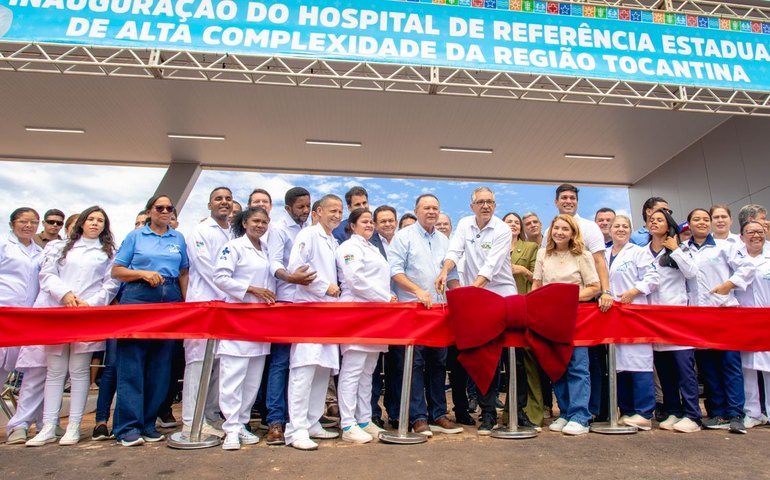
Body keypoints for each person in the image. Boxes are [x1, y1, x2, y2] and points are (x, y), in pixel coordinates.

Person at [25, 206, 120, 446]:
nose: (95, 223)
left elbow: (110, 284)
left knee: (79, 371)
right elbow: (47, 275)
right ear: (81, 222)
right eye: (91, 219)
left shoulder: (108, 251)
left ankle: (74, 426)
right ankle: (48, 426)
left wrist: (91, 303)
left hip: (87, 313)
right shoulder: (59, 247)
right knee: (55, 371)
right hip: (59, 311)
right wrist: (65, 294)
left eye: (100, 220)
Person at [438, 188, 526, 435]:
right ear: (472, 206)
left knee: (514, 357)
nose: (485, 206)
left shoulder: (502, 229)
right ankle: (487, 414)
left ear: (495, 205)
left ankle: (517, 413)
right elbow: (454, 252)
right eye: (481, 202)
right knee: (484, 359)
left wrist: (470, 293)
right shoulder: (465, 224)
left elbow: (491, 265)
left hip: (503, 295)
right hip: (478, 299)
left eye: (490, 202)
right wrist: (445, 271)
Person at [111, 194, 189, 447]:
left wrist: (186, 303)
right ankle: (128, 427)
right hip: (140, 296)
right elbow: (117, 270)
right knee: (132, 363)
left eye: (169, 208)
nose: (165, 211)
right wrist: (142, 273)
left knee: (161, 365)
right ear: (149, 211)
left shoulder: (178, 238)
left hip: (171, 297)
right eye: (159, 207)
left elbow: (183, 271)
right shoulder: (135, 236)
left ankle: (148, 423)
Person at [389, 194, 461, 437]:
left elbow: (452, 275)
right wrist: (417, 290)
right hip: (412, 311)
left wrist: (460, 299)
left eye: (435, 208)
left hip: (439, 311)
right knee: (413, 363)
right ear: (416, 210)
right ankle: (418, 417)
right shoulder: (403, 237)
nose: (432, 211)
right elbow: (395, 271)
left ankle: (438, 413)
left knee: (438, 363)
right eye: (427, 207)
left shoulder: (444, 239)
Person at [284, 194, 344, 450]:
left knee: (322, 369)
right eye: (332, 210)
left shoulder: (334, 240)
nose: (337, 215)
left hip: (328, 312)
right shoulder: (308, 235)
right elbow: (297, 267)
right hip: (309, 310)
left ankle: (312, 422)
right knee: (304, 368)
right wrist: (324, 286)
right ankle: (295, 429)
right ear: (318, 212)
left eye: (340, 211)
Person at [685, 208, 753, 434]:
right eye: (697, 219)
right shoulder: (683, 249)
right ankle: (717, 412)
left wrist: (728, 285)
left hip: (724, 312)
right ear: (689, 224)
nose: (702, 223)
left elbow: (747, 267)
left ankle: (735, 413)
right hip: (698, 315)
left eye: (706, 219)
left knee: (729, 363)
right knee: (708, 366)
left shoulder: (725, 246)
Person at [213, 207, 276, 450]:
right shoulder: (233, 247)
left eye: (264, 222)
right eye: (255, 221)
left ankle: (242, 423)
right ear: (245, 223)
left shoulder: (266, 249)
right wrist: (250, 289)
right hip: (238, 318)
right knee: (233, 374)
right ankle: (230, 428)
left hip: (261, 321)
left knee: (252, 378)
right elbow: (220, 278)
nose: (260, 225)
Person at [549, 184, 612, 423]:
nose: (568, 201)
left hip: (583, 306)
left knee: (584, 363)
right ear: (556, 202)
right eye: (564, 197)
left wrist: (605, 291)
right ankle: (566, 412)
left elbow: (599, 261)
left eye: (572, 198)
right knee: (560, 364)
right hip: (554, 312)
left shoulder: (589, 227)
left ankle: (585, 413)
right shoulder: (549, 232)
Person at [534, 214, 601, 436]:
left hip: (576, 317)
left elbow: (594, 287)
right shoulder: (543, 254)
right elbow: (537, 284)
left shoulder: (583, 255)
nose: (560, 232)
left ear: (573, 233)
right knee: (557, 366)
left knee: (578, 367)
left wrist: (567, 298)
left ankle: (580, 416)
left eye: (565, 229)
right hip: (550, 318)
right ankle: (564, 412)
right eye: (556, 228)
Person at [264, 186, 317, 445]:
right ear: (287, 208)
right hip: (285, 301)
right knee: (281, 362)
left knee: (304, 363)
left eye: (308, 206)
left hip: (307, 302)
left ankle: (301, 420)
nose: (305, 211)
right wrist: (291, 278)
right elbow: (274, 263)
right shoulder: (279, 230)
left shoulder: (311, 229)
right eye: (300, 207)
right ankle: (275, 421)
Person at [335, 208, 393, 443]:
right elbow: (355, 280)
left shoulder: (372, 248)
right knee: (352, 370)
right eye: (364, 221)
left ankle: (364, 420)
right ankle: (348, 424)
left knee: (368, 371)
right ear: (352, 225)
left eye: (371, 221)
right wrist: (386, 297)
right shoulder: (349, 247)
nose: (369, 225)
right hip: (356, 312)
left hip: (375, 314)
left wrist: (384, 298)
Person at [180, 187, 234, 439]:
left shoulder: (233, 232)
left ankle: (211, 415)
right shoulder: (200, 231)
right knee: (198, 362)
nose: (224, 202)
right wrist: (234, 291)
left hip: (228, 307)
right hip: (205, 304)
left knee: (220, 363)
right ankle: (192, 420)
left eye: (228, 199)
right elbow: (207, 268)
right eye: (218, 199)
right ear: (209, 204)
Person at [647, 209, 701, 433]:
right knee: (664, 368)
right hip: (653, 318)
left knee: (684, 369)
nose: (654, 223)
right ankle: (673, 411)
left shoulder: (680, 249)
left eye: (659, 220)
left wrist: (676, 249)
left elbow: (692, 272)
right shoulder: (643, 252)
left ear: (668, 225)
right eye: (651, 220)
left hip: (676, 316)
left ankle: (693, 415)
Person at [605, 215, 658, 431]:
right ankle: (626, 410)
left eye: (625, 226)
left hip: (635, 313)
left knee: (639, 362)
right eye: (616, 226)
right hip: (612, 315)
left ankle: (644, 412)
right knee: (619, 365)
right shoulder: (605, 253)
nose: (621, 229)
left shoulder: (639, 252)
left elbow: (652, 278)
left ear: (630, 230)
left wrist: (634, 292)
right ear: (610, 230)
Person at [2, 208, 44, 445]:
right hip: (4, 315)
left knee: (33, 371)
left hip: (30, 319)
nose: (28, 226)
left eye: (33, 222)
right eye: (23, 221)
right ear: (12, 223)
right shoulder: (3, 246)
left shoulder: (40, 253)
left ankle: (20, 425)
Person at [503, 211, 544, 426]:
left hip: (524, 306)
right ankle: (510, 412)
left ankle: (533, 411)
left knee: (527, 362)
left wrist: (523, 270)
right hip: (502, 309)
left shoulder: (530, 247)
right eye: (508, 222)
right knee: (510, 363)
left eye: (516, 222)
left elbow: (538, 277)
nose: (513, 225)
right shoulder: (497, 248)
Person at [736, 221, 770, 429]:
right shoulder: (736, 258)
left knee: (769, 368)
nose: (756, 235)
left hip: (767, 318)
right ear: (742, 237)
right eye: (750, 232)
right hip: (745, 319)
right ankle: (753, 412)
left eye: (760, 231)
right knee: (747, 367)